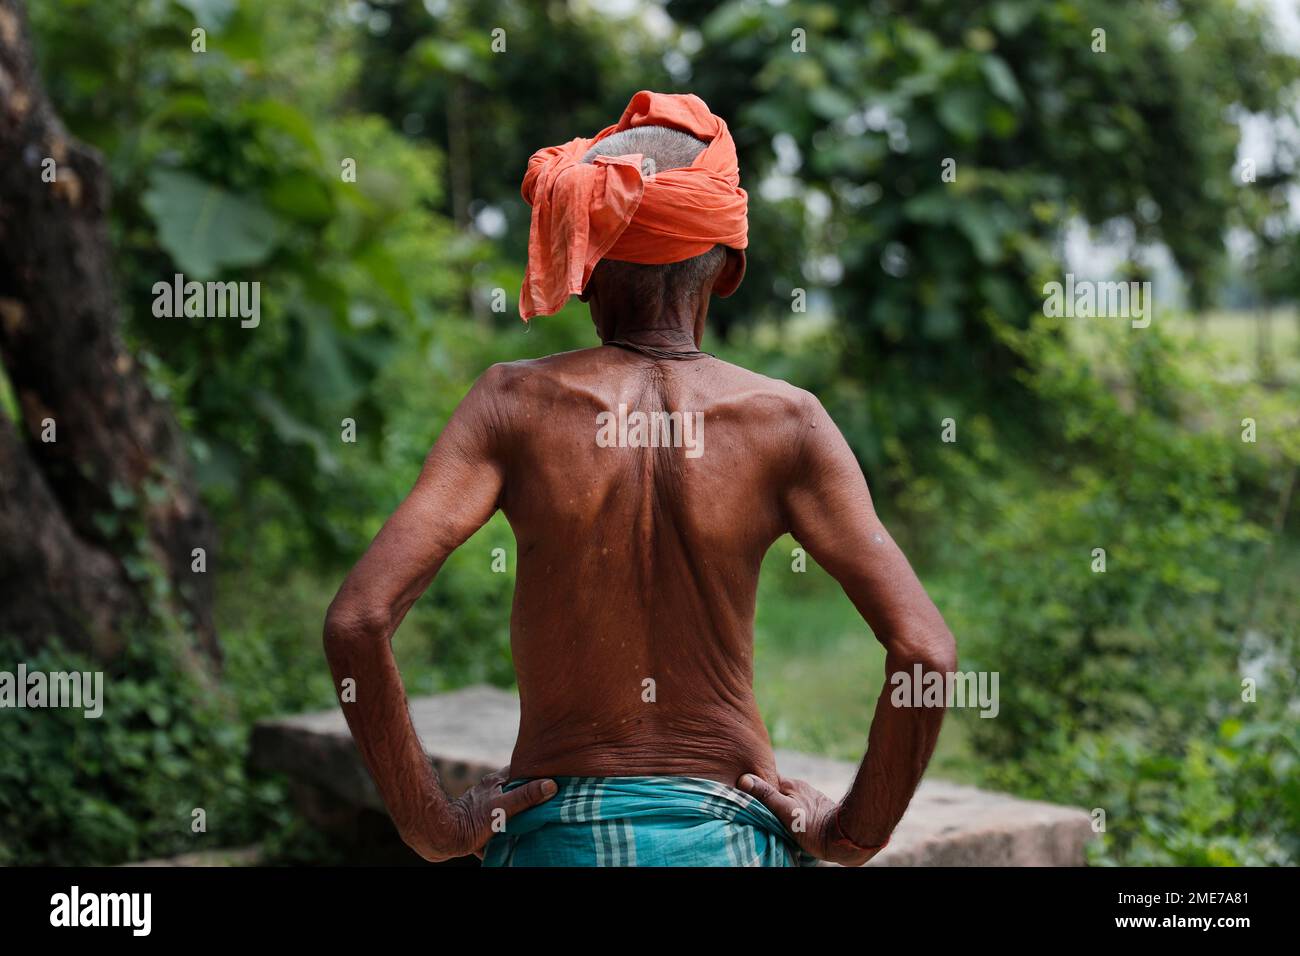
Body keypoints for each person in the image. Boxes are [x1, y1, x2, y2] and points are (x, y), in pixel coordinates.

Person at [323, 91, 957, 867]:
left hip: (556, 841)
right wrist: (851, 834)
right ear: (726, 269)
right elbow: (924, 652)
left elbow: (357, 621)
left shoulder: (510, 406)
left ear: (584, 268)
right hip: (727, 839)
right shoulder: (788, 423)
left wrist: (430, 823)